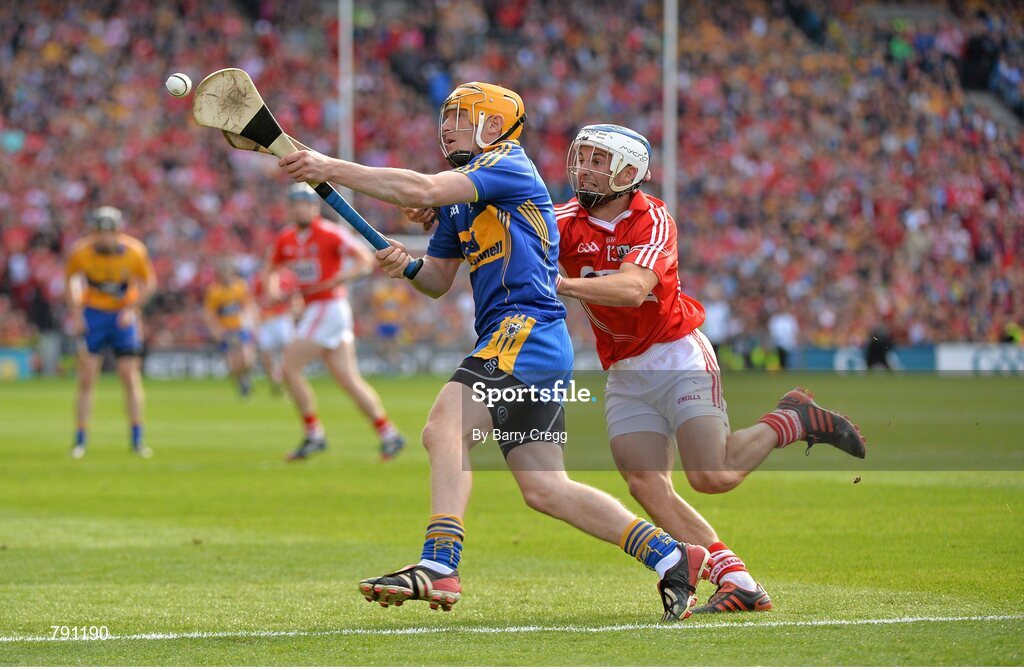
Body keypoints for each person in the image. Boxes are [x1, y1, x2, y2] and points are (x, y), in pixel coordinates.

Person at [279, 82, 711, 621]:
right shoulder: (462, 201)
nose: (447, 127)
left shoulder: (507, 164)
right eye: (446, 117)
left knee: (443, 428)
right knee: (546, 489)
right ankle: (672, 555)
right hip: (524, 339)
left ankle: (440, 563)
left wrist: (328, 167)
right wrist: (407, 265)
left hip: (523, 331)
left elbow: (419, 189)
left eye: (461, 117)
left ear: (492, 125)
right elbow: (437, 279)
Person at [555, 124, 867, 613]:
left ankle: (795, 420)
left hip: (675, 353)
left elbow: (634, 288)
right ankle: (737, 580)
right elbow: (508, 232)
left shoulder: (654, 219)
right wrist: (441, 217)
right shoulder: (564, 219)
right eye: (583, 157)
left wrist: (563, 285)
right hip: (624, 368)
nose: (584, 168)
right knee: (645, 485)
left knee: (712, 474)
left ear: (629, 172)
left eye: (598, 160)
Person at [267, 183, 405, 461]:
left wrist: (342, 278)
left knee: (288, 367)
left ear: (314, 207)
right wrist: (273, 290)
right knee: (348, 380)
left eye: (305, 203)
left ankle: (313, 434)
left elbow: (365, 259)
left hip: (328, 306)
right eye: (295, 204)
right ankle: (389, 434)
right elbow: (271, 269)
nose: (300, 208)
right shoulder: (287, 238)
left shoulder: (329, 232)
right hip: (316, 309)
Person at [64, 206, 157, 459]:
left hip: (121, 317)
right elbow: (72, 280)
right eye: (100, 232)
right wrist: (76, 313)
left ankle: (138, 439)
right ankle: (80, 439)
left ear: (118, 231)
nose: (104, 238)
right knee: (86, 378)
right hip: (93, 315)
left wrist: (132, 309)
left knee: (129, 376)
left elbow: (149, 281)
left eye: (109, 232)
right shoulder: (80, 252)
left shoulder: (134, 251)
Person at [203, 259, 258, 398]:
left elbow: (249, 306)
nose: (225, 276)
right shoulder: (214, 292)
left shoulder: (241, 286)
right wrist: (216, 331)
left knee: (247, 359)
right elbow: (210, 314)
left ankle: (245, 378)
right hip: (226, 331)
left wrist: (252, 323)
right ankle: (241, 384)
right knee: (232, 363)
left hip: (241, 328)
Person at [253, 267, 299, 394]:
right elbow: (256, 299)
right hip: (266, 320)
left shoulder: (289, 277)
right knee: (266, 352)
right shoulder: (260, 278)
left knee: (288, 351)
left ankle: (287, 379)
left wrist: (294, 310)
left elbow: (295, 297)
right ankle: (275, 381)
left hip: (282, 318)